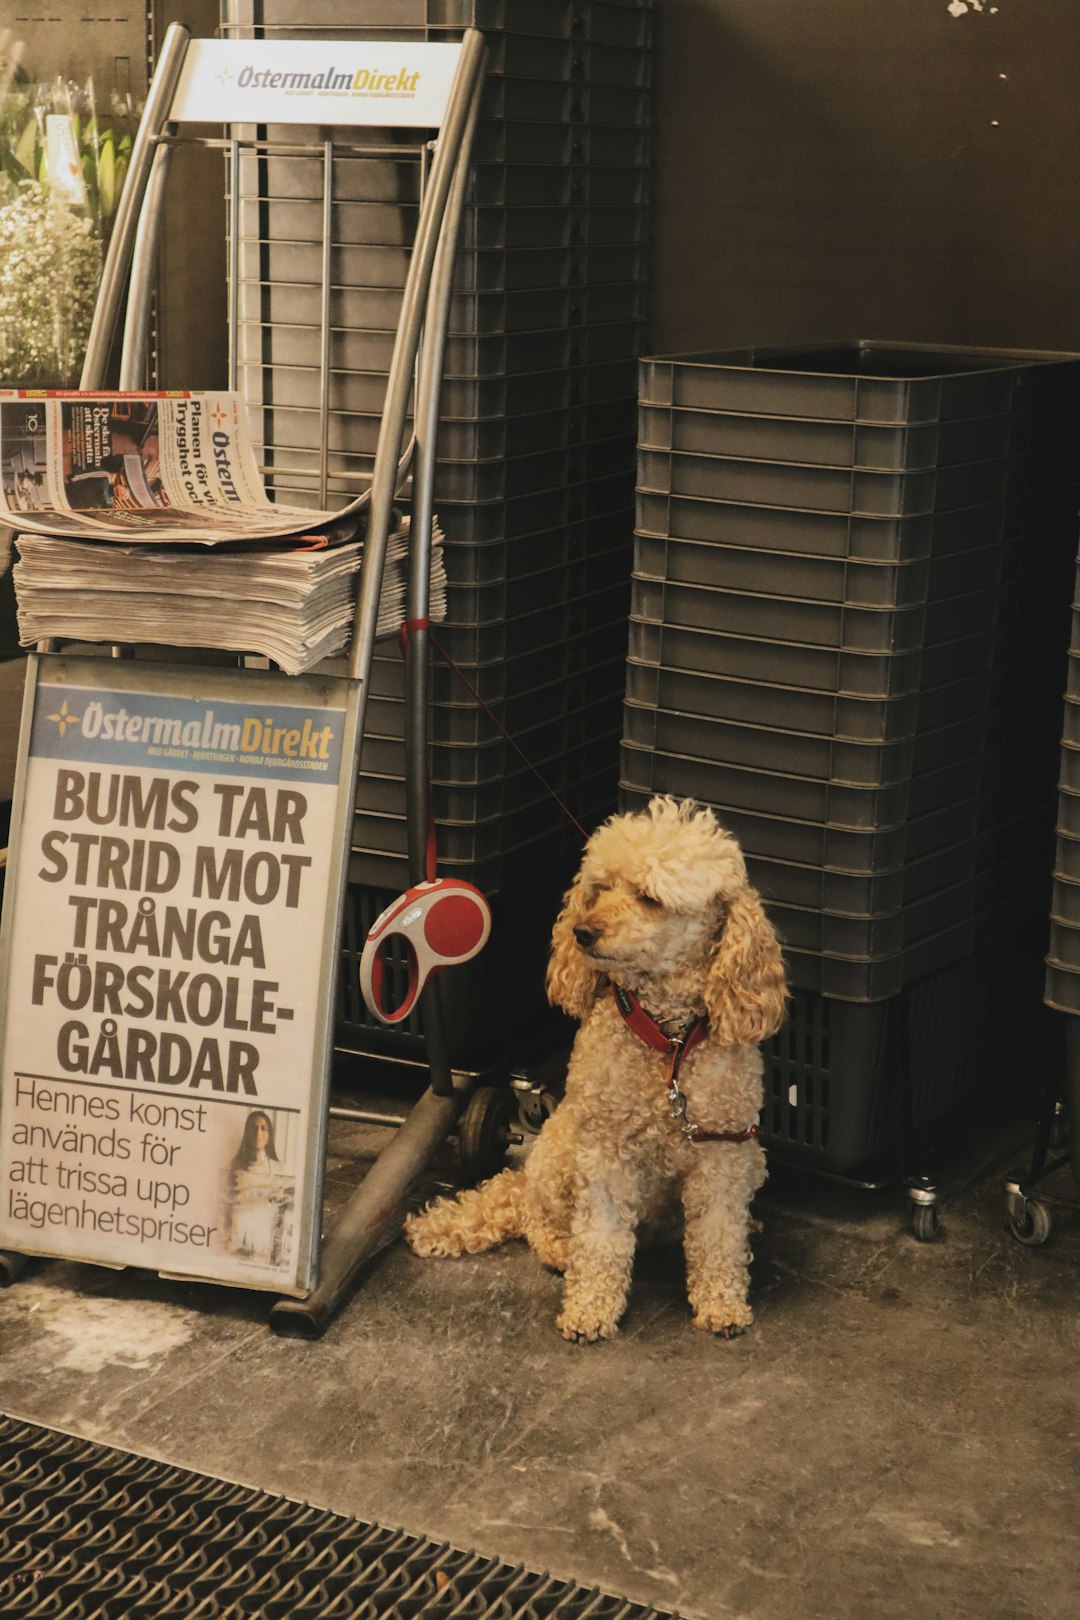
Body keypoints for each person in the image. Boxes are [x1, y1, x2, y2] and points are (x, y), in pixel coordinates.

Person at [223, 1110, 293, 1266]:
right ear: (246, 1133)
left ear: (269, 1135)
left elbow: (283, 1207)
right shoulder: (234, 1168)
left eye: (263, 1128)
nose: (258, 1133)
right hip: (238, 1237)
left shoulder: (279, 1169)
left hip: (265, 1238)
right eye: (253, 1128)